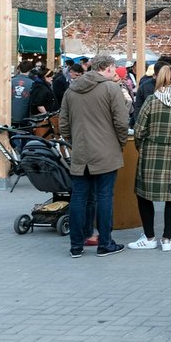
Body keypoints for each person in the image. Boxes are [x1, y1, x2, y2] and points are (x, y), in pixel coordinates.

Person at [60, 54, 129, 258]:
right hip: (106, 151)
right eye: (114, 68)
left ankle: (76, 245)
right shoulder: (111, 88)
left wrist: (76, 141)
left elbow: (63, 123)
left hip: (81, 151)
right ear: (107, 68)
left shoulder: (71, 90)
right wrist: (120, 142)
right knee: (104, 197)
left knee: (79, 198)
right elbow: (121, 122)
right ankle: (105, 243)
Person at [128, 65, 171, 252]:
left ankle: (149, 237)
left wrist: (142, 147)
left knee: (144, 196)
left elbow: (138, 131)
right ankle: (167, 239)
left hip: (151, 153)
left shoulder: (151, 101)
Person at [11, 61, 34, 125]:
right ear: (30, 70)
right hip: (25, 118)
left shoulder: (11, 81)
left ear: (19, 69)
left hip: (10, 116)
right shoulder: (32, 83)